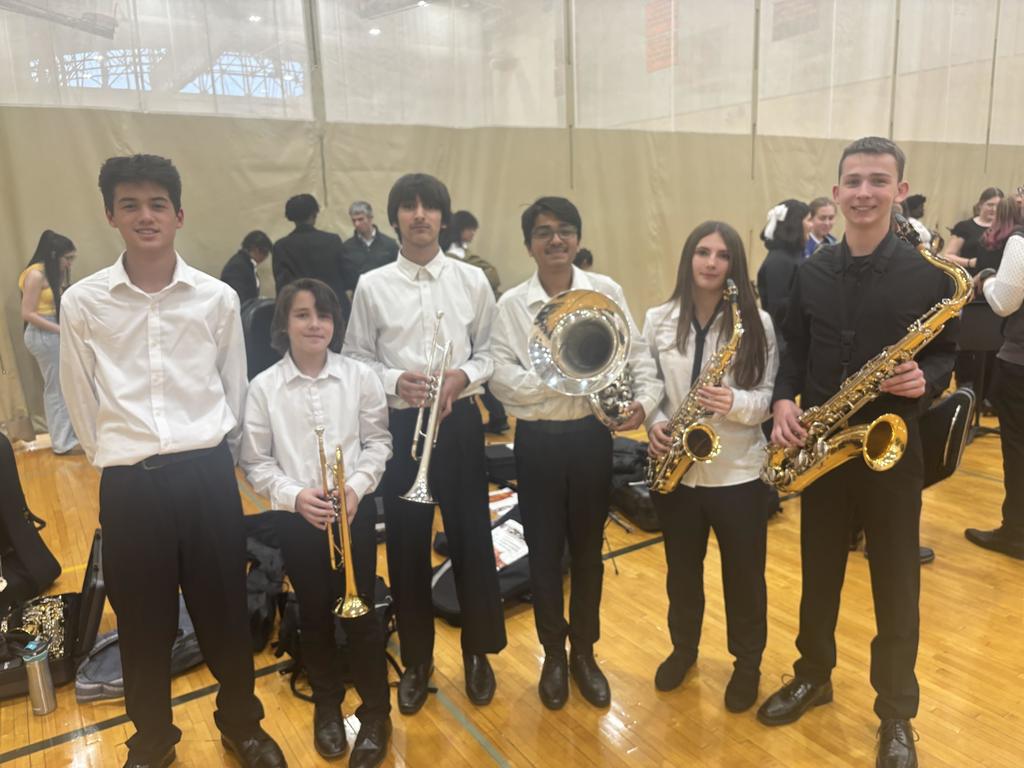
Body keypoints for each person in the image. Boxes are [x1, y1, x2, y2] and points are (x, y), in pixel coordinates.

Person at [59, 154, 287, 768]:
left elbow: (233, 387)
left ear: (179, 215)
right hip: (131, 487)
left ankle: (242, 725)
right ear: (110, 215)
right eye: (130, 204)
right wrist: (119, 457)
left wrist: (214, 460)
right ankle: (153, 739)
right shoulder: (83, 302)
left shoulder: (216, 298)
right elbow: (81, 399)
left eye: (158, 204)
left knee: (224, 613)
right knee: (142, 624)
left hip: (206, 478)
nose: (146, 216)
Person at [757, 137, 958, 768]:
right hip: (824, 447)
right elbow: (792, 348)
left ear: (900, 191)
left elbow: (946, 353)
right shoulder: (811, 271)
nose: (864, 192)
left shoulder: (928, 275)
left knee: (896, 582)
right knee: (818, 572)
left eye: (878, 180)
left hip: (891, 447)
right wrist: (783, 400)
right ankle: (812, 675)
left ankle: (896, 712)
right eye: (853, 181)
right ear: (837, 192)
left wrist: (928, 379)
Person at [488, 196, 662, 710]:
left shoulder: (605, 291)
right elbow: (501, 380)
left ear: (578, 239)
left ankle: (584, 652)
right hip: (537, 442)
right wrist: (565, 380)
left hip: (591, 438)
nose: (556, 239)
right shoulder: (510, 305)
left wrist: (645, 402)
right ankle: (553, 656)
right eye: (544, 232)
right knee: (543, 553)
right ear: (529, 245)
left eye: (565, 230)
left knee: (588, 552)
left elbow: (634, 355)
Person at [343, 173, 506, 716]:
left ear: (442, 217)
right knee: (407, 548)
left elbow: (492, 353)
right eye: (408, 207)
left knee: (471, 540)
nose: (419, 215)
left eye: (429, 207)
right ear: (394, 218)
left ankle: (478, 652)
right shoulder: (372, 285)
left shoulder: (472, 280)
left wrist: (463, 376)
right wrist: (395, 381)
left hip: (458, 424)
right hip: (401, 427)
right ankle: (417, 659)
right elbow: (356, 358)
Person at [240, 278, 393, 766]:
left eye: (323, 315)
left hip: (352, 511)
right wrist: (295, 496)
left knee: (362, 613)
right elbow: (255, 461)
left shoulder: (359, 377)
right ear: (283, 324)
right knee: (313, 613)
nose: (314, 324)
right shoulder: (263, 388)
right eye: (302, 314)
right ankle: (327, 704)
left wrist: (356, 487)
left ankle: (377, 712)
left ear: (335, 323)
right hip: (298, 518)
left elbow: (378, 443)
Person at [644, 221, 778, 713]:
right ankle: (684, 650)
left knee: (744, 578)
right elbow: (648, 384)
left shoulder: (757, 324)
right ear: (689, 258)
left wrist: (734, 402)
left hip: (738, 473)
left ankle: (747, 664)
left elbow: (767, 397)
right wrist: (655, 422)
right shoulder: (658, 319)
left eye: (722, 255)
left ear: (734, 265)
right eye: (702, 252)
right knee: (681, 573)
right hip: (676, 472)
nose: (711, 262)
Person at [965, 226, 1024, 560]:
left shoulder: (1021, 240)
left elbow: (1003, 303)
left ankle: (1016, 533)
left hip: (1020, 363)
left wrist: (987, 279)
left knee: (1018, 452)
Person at [443, 209, 508, 433]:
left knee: (479, 366)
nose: (472, 234)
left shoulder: (462, 256)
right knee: (477, 368)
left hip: (476, 316)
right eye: (470, 229)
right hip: (466, 319)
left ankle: (499, 416)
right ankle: (499, 416)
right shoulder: (454, 257)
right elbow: (492, 275)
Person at [19, 230, 79, 454]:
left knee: (63, 386)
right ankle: (62, 443)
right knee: (56, 389)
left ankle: (68, 437)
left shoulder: (51, 272)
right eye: (67, 258)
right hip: (43, 334)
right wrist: (61, 330)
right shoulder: (35, 275)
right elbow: (27, 313)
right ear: (54, 255)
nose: (69, 263)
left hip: (51, 331)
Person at [273, 193, 352, 316]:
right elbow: (349, 277)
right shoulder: (332, 240)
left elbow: (283, 287)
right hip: (335, 307)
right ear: (314, 214)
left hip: (301, 310)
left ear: (290, 217)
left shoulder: (281, 247)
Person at [755, 199, 811, 333]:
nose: (812, 225)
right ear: (795, 223)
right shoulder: (780, 261)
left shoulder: (793, 256)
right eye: (809, 220)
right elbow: (779, 310)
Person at [944, 187, 1003, 274]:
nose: (994, 209)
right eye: (990, 205)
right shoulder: (964, 227)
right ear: (980, 205)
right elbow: (948, 256)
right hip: (968, 276)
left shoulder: (1005, 228)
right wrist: (969, 262)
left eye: (998, 206)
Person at [342, 201, 399, 290]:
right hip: (360, 294)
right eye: (354, 220)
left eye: (360, 219)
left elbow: (397, 274)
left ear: (370, 218)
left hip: (385, 292)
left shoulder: (390, 245)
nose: (357, 224)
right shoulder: (347, 247)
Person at [220, 230, 272, 305]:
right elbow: (237, 298)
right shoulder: (237, 267)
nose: (266, 257)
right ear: (256, 250)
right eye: (266, 253)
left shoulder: (247, 265)